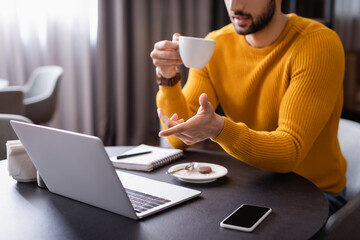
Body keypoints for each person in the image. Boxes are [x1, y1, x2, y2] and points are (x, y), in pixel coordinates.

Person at [150, 0, 347, 215]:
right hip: (250, 184)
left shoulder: (317, 43)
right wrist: (167, 76)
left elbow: (290, 152)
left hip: (314, 193)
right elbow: (178, 138)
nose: (235, 5)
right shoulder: (215, 43)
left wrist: (220, 129)